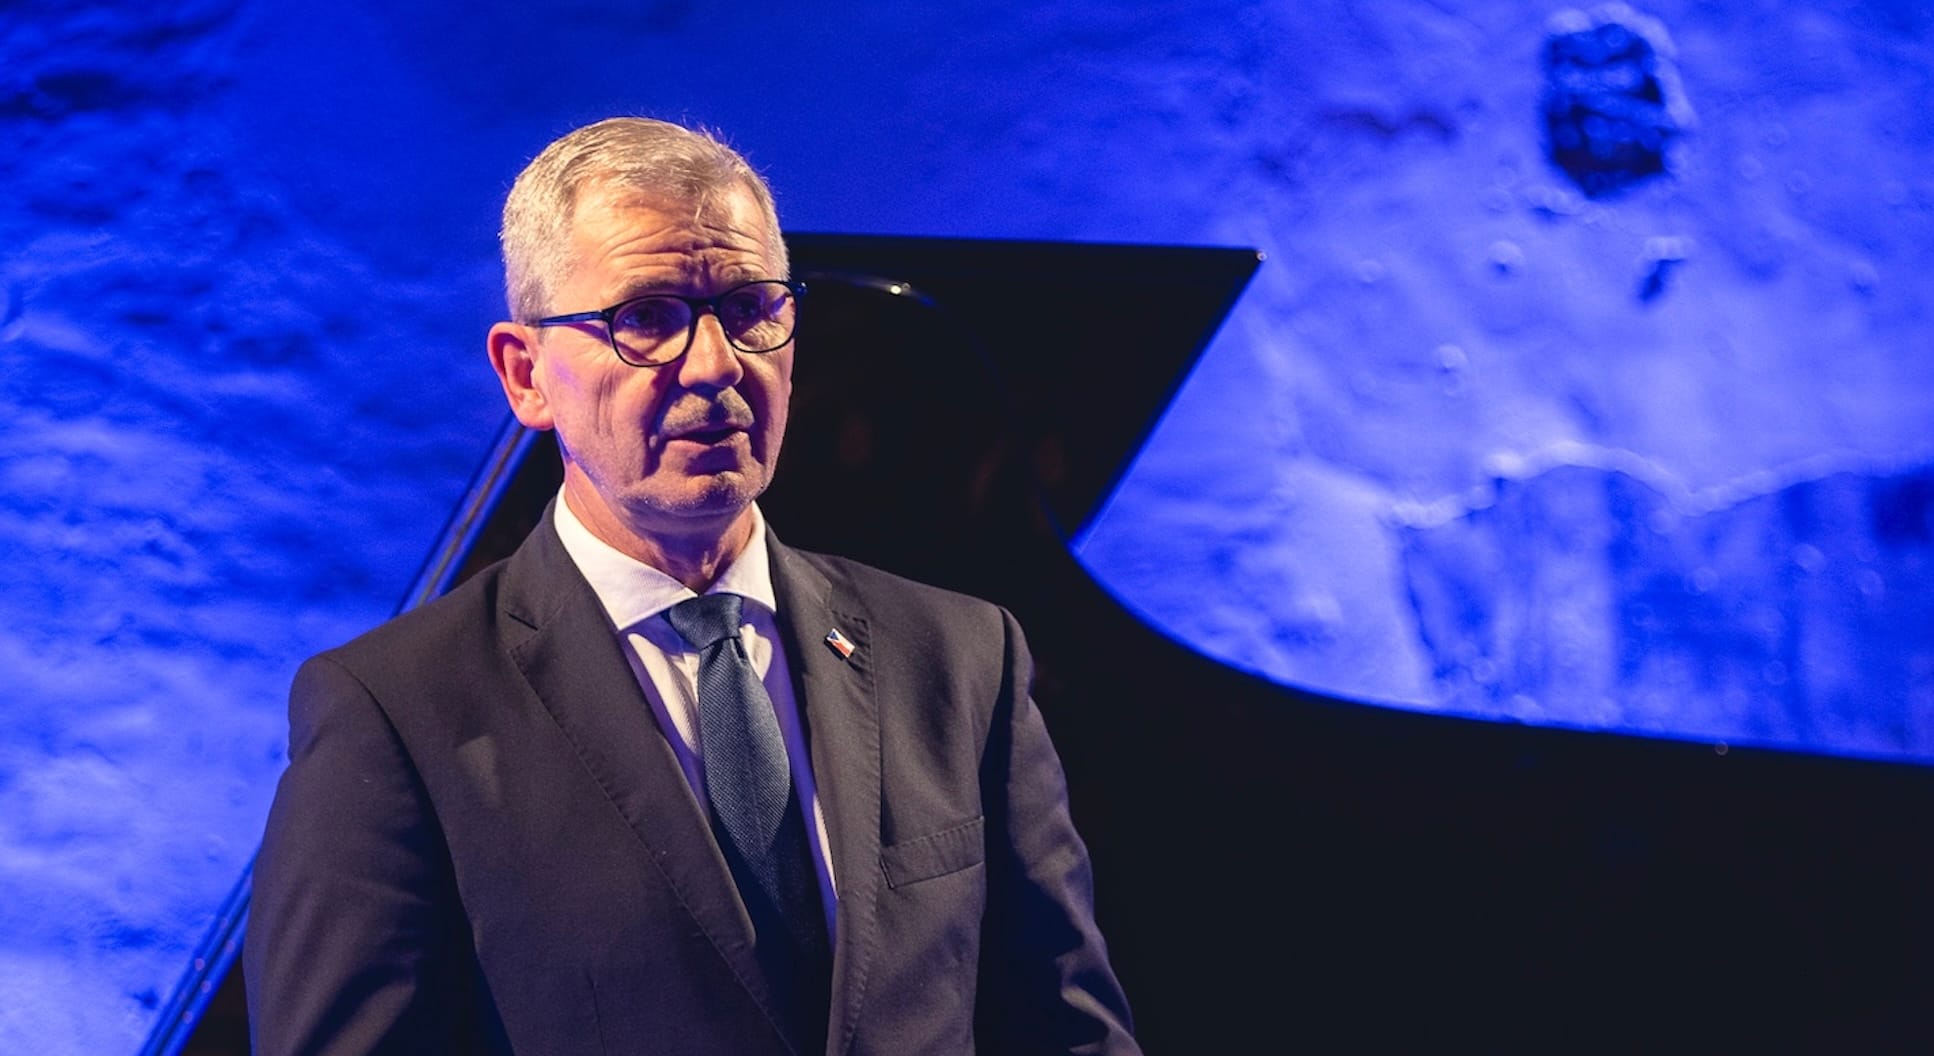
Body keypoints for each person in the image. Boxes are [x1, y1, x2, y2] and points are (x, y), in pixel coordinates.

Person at [243, 116, 1140, 1056]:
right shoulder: (397, 714)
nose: (716, 365)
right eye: (646, 317)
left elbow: (1067, 1033)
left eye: (751, 308)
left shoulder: (959, 658)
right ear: (525, 375)